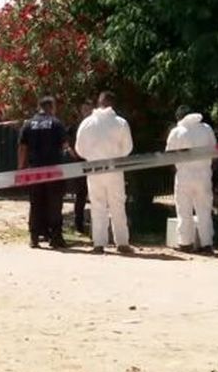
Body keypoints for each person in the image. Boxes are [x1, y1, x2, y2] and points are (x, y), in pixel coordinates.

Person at [74, 91, 134, 254]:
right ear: (113, 105)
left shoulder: (87, 123)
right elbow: (128, 148)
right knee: (118, 205)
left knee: (97, 205)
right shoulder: (121, 123)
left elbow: (79, 148)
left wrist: (91, 157)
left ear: (98, 103)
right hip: (115, 169)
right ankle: (122, 242)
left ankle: (99, 243)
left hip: (94, 169)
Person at [17, 95, 68, 249]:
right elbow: (65, 146)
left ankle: (34, 237)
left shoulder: (28, 124)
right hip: (54, 170)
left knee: (36, 203)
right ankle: (55, 237)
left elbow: (22, 148)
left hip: (34, 170)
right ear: (51, 107)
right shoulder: (56, 123)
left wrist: (21, 168)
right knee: (55, 204)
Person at [166, 105, 217, 254]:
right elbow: (214, 149)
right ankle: (207, 244)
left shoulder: (176, 132)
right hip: (204, 174)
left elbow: (169, 154)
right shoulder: (206, 129)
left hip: (184, 175)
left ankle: (185, 243)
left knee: (183, 210)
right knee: (204, 210)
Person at [65, 100, 94, 234]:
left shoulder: (95, 125)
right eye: (84, 109)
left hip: (94, 162)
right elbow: (67, 143)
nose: (86, 111)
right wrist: (74, 154)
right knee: (81, 195)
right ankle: (79, 224)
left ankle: (96, 225)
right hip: (79, 163)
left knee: (96, 194)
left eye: (88, 108)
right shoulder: (75, 126)